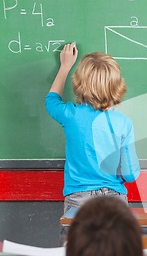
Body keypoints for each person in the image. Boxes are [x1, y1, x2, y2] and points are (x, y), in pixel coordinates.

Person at [46, 43, 140, 213]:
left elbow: (51, 101)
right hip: (115, 202)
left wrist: (65, 66)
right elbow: (130, 174)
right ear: (116, 85)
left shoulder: (71, 115)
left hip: (79, 201)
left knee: (79, 241)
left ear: (79, 83)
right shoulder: (123, 123)